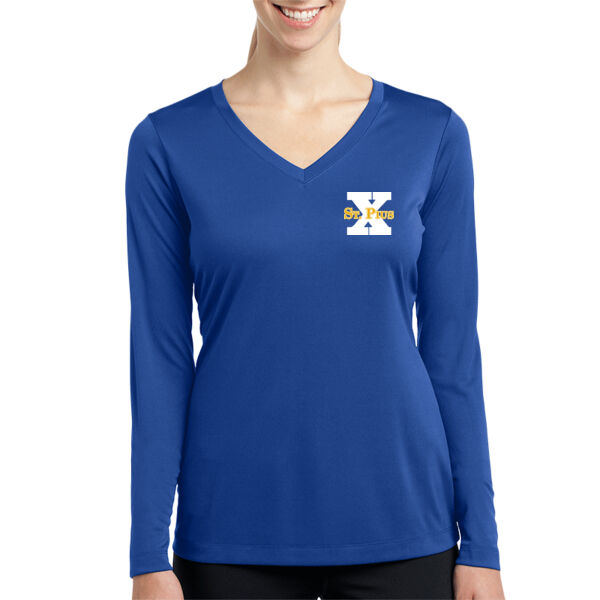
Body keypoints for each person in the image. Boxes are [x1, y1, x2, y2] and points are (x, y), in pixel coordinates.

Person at [125, 1, 505, 598]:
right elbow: (160, 358)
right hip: (230, 536)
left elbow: (453, 355)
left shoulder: (431, 135)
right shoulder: (169, 142)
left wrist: (482, 543)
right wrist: (147, 554)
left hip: (405, 528)